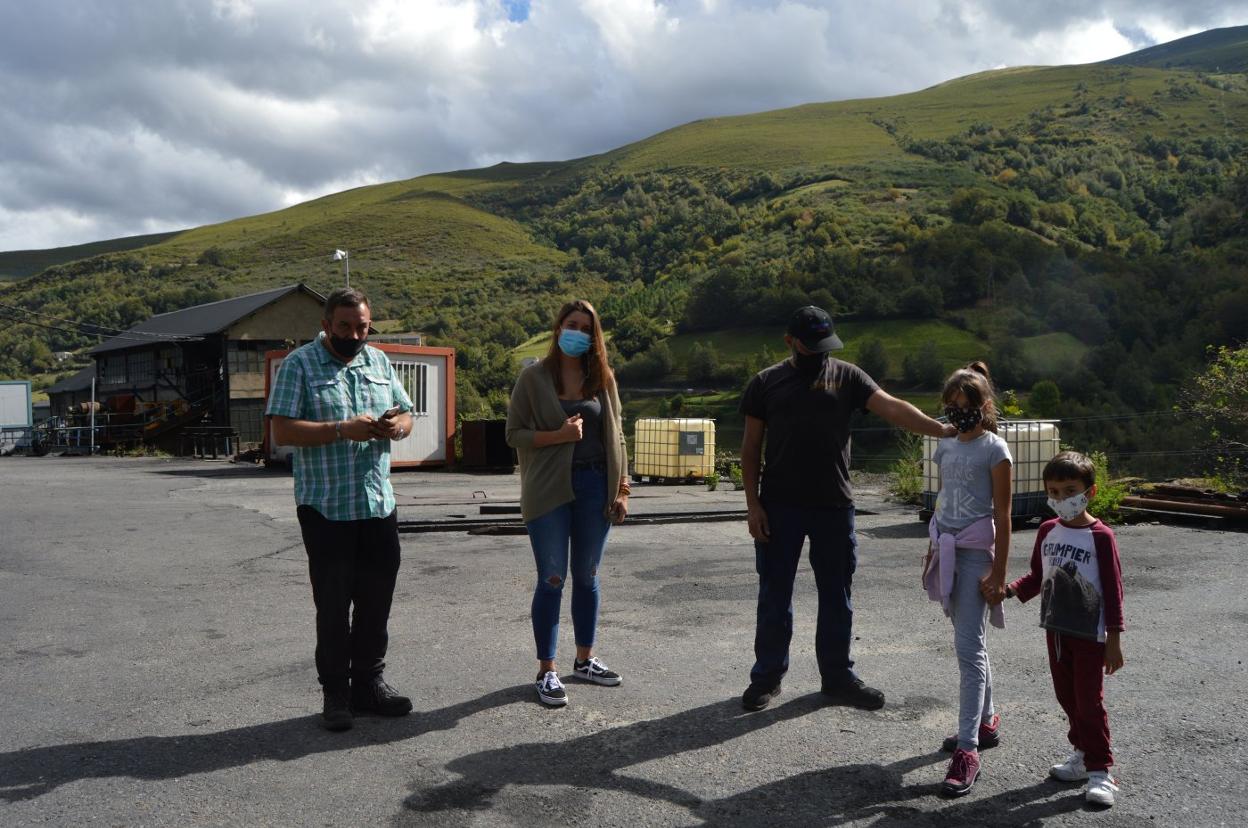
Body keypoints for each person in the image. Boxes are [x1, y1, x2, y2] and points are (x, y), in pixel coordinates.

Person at [739, 305, 956, 713]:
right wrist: (753, 506)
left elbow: (891, 407)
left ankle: (837, 678)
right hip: (779, 506)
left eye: (825, 346)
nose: (819, 353)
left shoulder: (849, 376)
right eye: (811, 346)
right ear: (790, 342)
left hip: (834, 507)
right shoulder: (765, 383)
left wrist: (941, 428)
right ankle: (767, 678)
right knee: (774, 594)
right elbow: (750, 450)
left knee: (837, 595)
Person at [265, 286, 415, 731]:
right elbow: (282, 431)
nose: (354, 335)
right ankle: (336, 693)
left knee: (376, 602)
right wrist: (339, 429)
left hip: (376, 503)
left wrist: (397, 429)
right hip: (326, 508)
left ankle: (370, 684)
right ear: (327, 324)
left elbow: (407, 413)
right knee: (333, 606)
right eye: (345, 327)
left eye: (362, 327)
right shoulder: (300, 365)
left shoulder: (378, 361)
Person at [506, 299, 630, 707]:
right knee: (553, 578)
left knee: (588, 575)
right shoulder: (533, 378)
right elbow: (514, 434)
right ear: (558, 328)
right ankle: (547, 670)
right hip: (548, 489)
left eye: (586, 327)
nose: (578, 332)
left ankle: (585, 659)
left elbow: (618, 437)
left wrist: (623, 489)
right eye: (571, 324)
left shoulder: (603, 379)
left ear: (595, 337)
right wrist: (557, 436)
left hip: (598, 485)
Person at [1006, 450, 1125, 808]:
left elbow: (1113, 589)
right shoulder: (1047, 530)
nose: (1060, 499)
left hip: (1090, 635)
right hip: (1055, 629)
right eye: (1053, 491)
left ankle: (1101, 770)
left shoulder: (1100, 537)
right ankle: (1080, 752)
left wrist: (1114, 640)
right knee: (1067, 697)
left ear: (1090, 491)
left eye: (1069, 490)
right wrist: (1007, 590)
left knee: (1090, 701)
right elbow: (1038, 577)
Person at [921, 361, 1012, 797]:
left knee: (967, 648)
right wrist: (932, 548)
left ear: (983, 405)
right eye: (951, 406)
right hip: (947, 549)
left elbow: (1004, 514)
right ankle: (987, 720)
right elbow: (943, 499)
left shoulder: (996, 450)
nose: (958, 413)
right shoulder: (946, 447)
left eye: (965, 406)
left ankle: (968, 748)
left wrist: (999, 571)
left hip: (977, 554)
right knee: (968, 638)